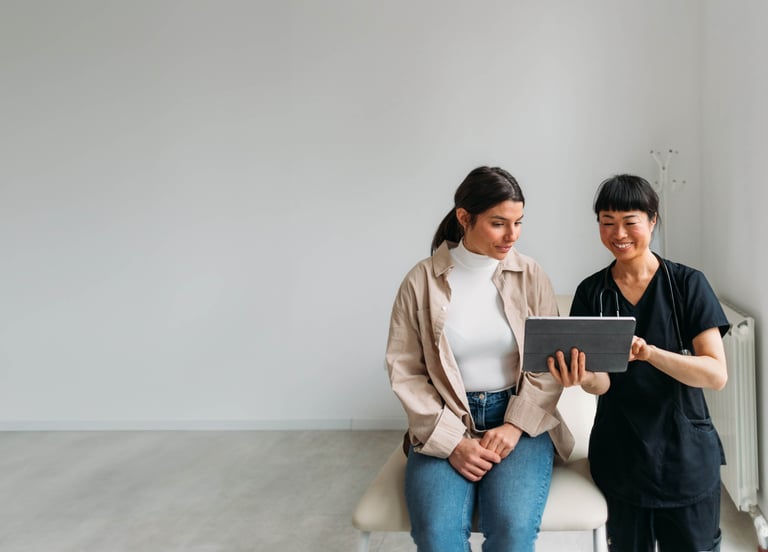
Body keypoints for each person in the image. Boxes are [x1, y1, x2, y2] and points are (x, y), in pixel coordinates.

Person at [386, 166, 574, 552]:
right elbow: (406, 372)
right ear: (464, 217)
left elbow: (546, 364)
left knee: (512, 532)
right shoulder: (420, 281)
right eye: (499, 223)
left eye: (518, 223)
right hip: (444, 418)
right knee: (437, 537)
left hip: (517, 418)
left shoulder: (530, 274)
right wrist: (453, 441)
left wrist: (515, 426)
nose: (512, 236)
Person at [549, 174, 729, 552]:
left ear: (652, 221)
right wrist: (582, 378)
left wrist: (649, 353)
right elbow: (602, 384)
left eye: (630, 221)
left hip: (686, 455)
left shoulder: (687, 285)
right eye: (607, 222)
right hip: (622, 454)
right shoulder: (592, 293)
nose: (619, 233)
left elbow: (715, 374)